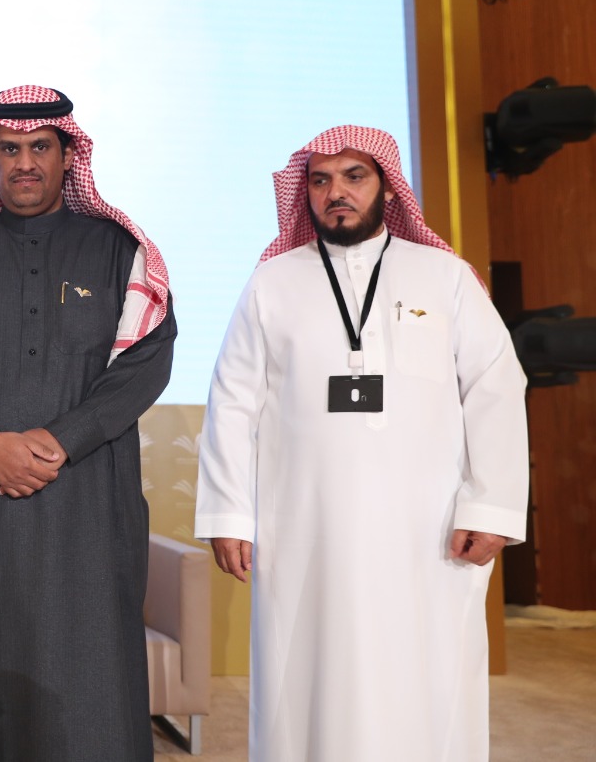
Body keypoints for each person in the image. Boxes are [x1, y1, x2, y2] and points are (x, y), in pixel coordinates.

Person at [195, 125, 529, 762]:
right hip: (305, 528)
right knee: (307, 677)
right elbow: (233, 402)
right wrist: (229, 515)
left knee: (425, 675)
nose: (335, 193)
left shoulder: (445, 277)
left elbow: (496, 388)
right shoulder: (272, 282)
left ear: (388, 188)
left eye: (354, 177)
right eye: (320, 181)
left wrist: (491, 507)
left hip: (428, 531)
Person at [0, 85, 176, 761]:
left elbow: (148, 359)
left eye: (40, 147)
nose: (24, 163)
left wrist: (60, 439)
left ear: (68, 155)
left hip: (86, 506)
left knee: (90, 677)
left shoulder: (120, 253)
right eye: (10, 149)